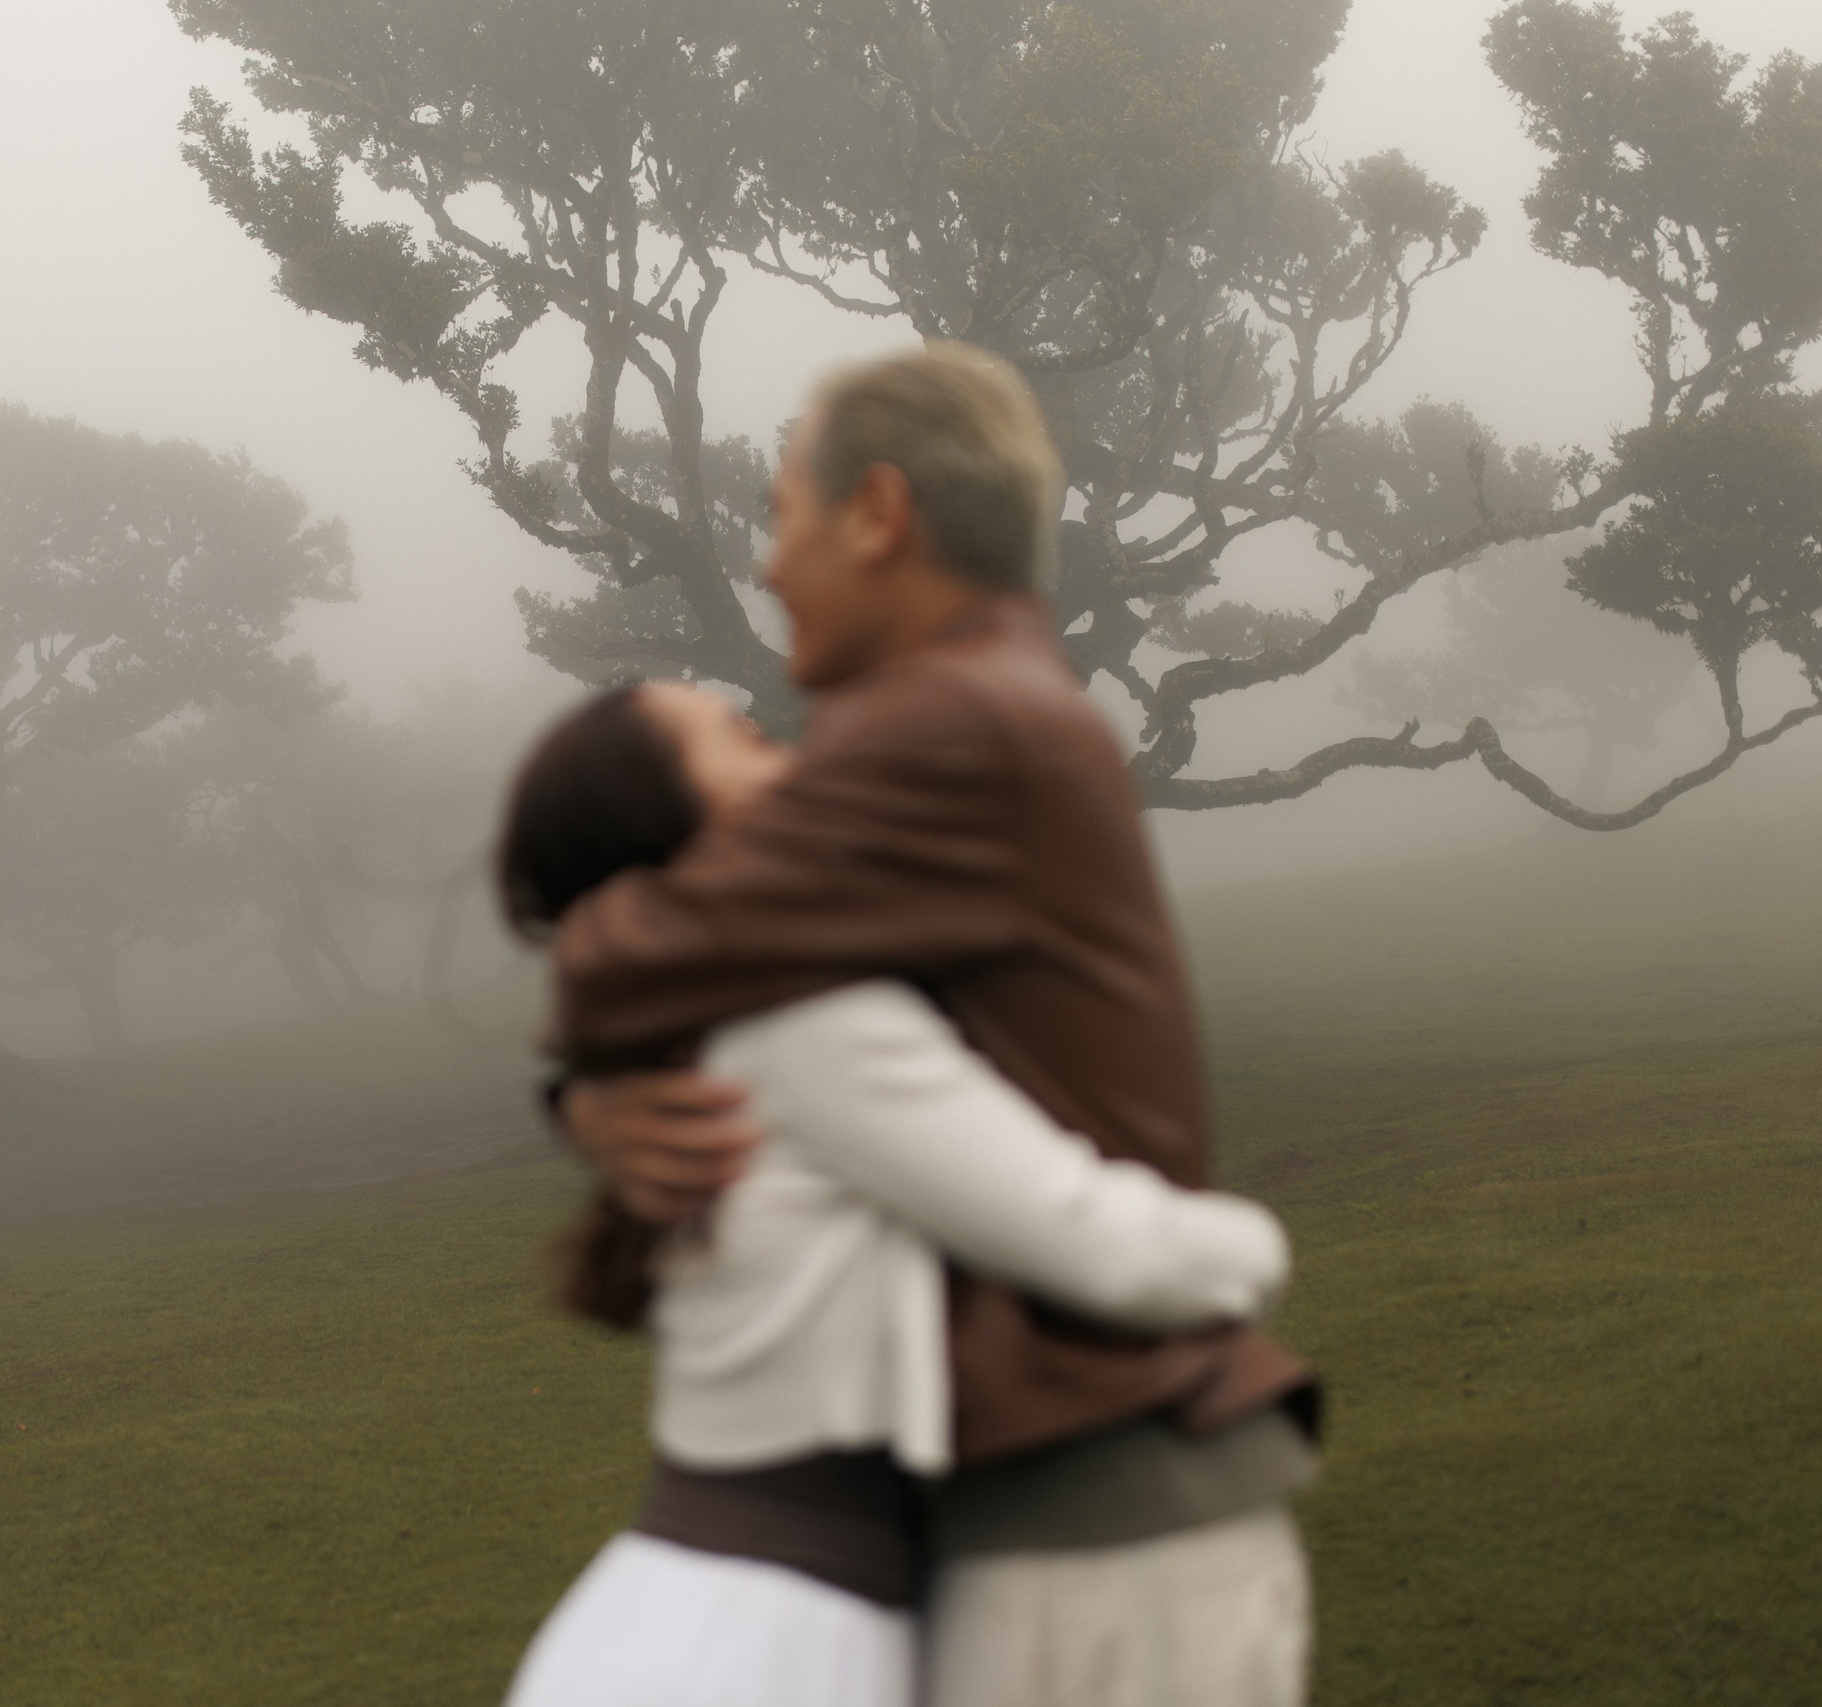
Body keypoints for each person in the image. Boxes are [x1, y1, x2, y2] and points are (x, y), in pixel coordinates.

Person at [550, 343, 1320, 1707]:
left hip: (1097, 1518)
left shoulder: (943, 726)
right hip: (1071, 1503)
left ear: (879, 514)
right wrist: (594, 1098)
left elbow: (626, 951)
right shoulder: (982, 711)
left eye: (782, 519)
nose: (771, 570)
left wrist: (598, 1030)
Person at [494, 680, 1294, 1707]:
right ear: (674, 822)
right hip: (768, 1640)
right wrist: (1253, 1244)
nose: (789, 751)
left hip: (705, 1609)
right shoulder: (805, 1025)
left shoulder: (703, 1026)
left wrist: (575, 1099)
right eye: (742, 737)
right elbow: (1107, 1251)